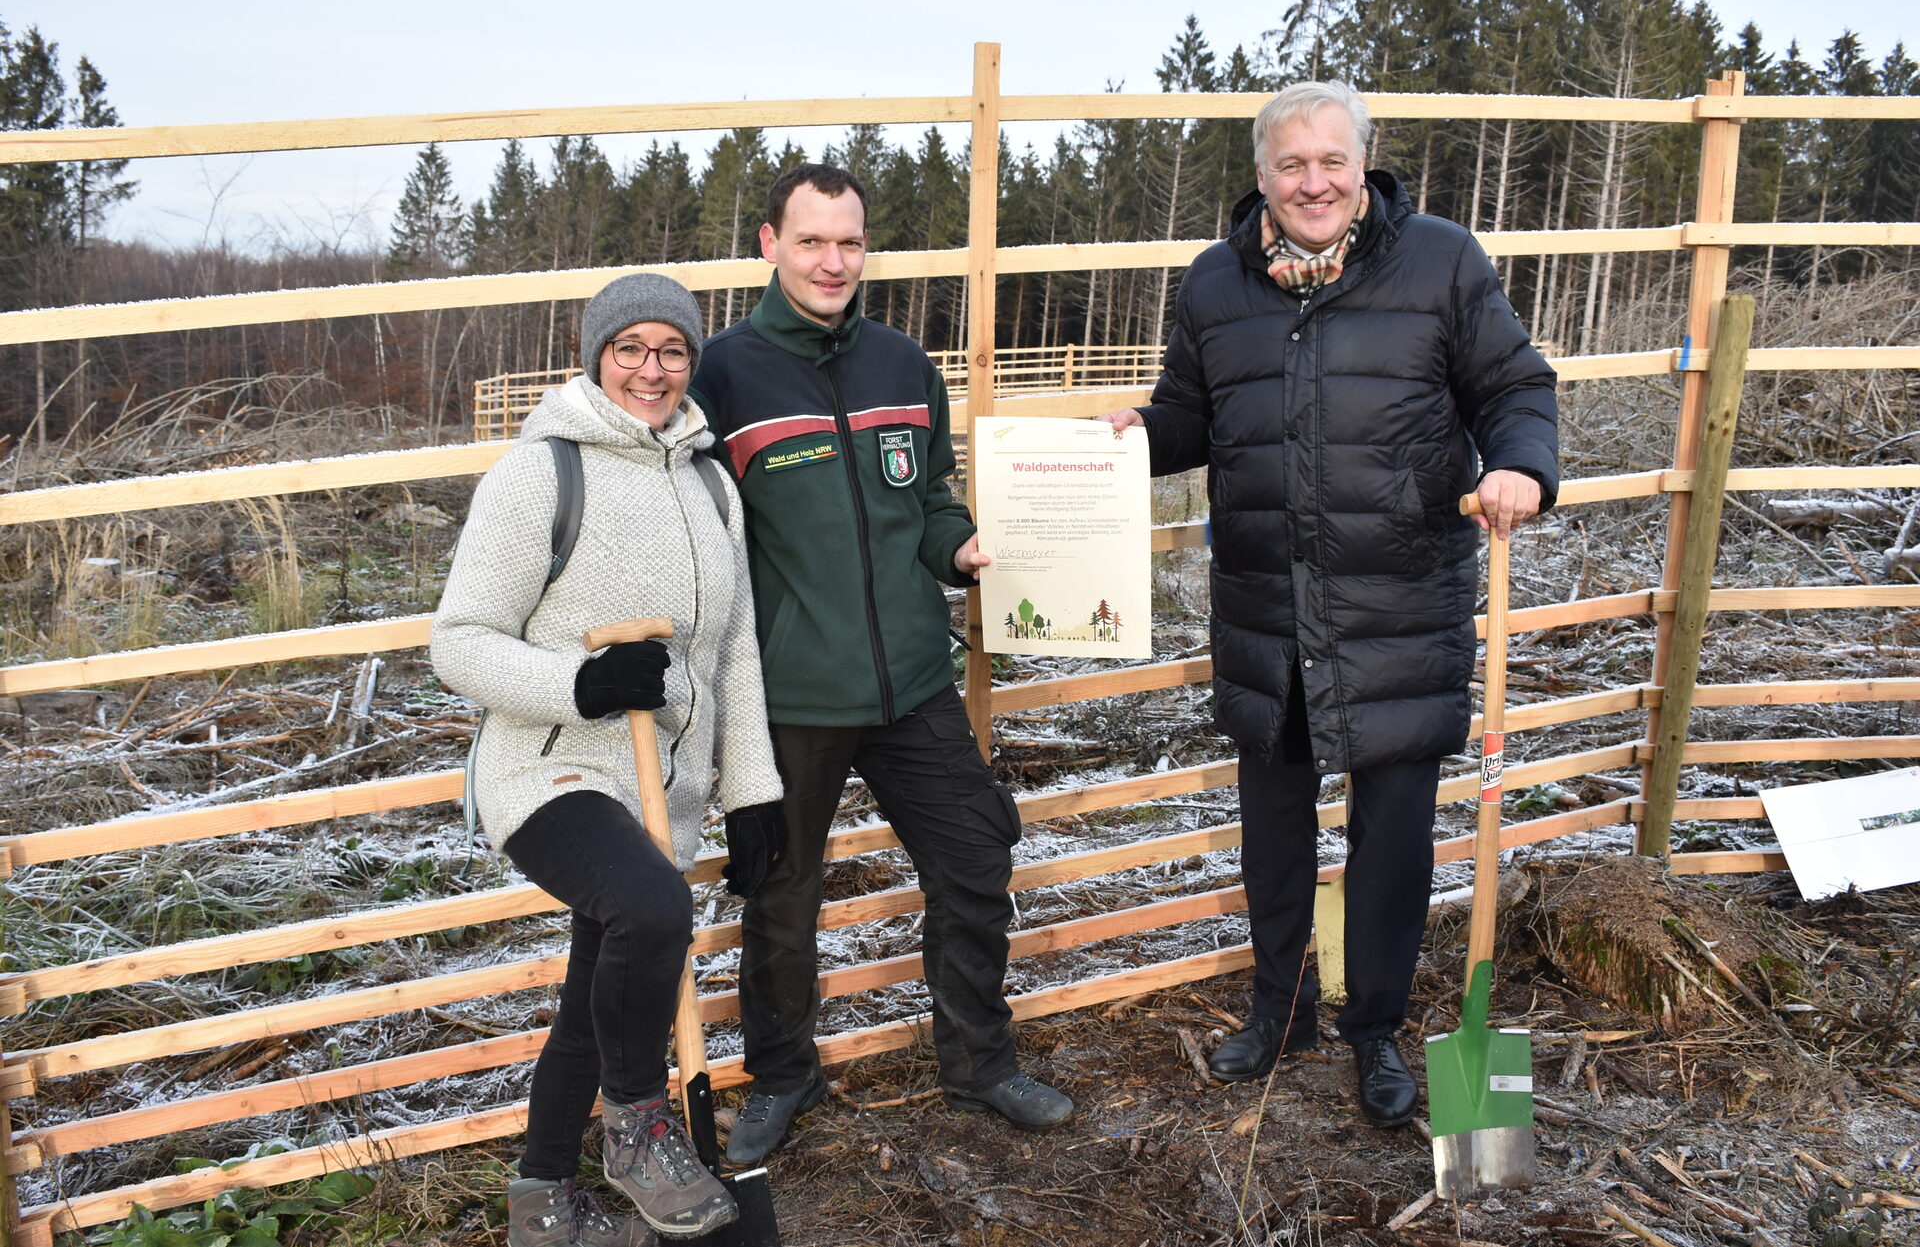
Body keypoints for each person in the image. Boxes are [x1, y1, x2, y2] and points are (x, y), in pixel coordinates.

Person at [1099, 82, 1559, 1128]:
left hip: (1399, 604)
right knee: (1274, 831)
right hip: (1269, 607)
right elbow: (1194, 414)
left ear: (1364, 165)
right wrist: (1137, 436)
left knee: (1392, 838)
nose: (1313, 183)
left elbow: (1514, 387)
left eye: (1331, 161)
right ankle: (1282, 1008)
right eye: (1291, 164)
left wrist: (1522, 465)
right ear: (1262, 175)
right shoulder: (1216, 281)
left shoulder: (1441, 261)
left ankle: (1376, 1029)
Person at [691, 163, 1074, 1166]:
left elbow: (931, 498)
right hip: (792, 693)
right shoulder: (722, 375)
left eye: (850, 242)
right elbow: (693, 532)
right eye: (812, 241)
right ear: (770, 244)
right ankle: (784, 1075)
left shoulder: (904, 364)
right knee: (781, 892)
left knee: (976, 857)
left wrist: (960, 548)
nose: (833, 262)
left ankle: (979, 1063)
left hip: (912, 679)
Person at [432, 273, 787, 1245]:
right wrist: (582, 684)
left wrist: (752, 791)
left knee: (603, 992)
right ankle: (637, 1127)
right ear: (596, 355)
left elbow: (735, 651)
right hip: (547, 768)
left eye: (671, 350)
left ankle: (542, 1203)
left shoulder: (712, 483)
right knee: (652, 909)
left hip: (660, 784)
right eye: (629, 347)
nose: (651, 369)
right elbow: (458, 642)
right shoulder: (541, 473)